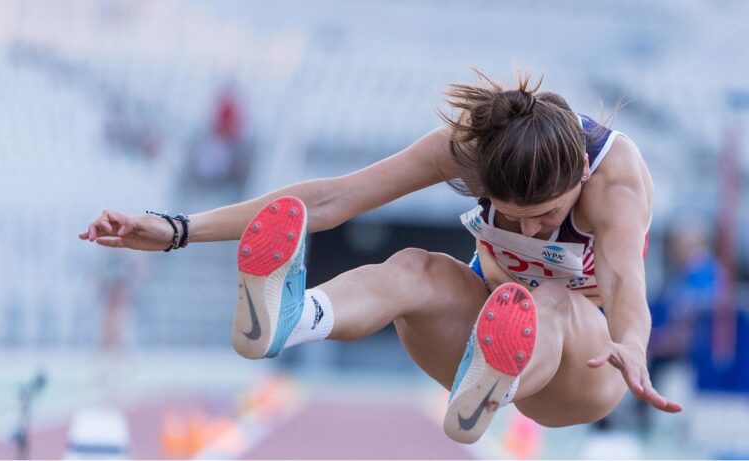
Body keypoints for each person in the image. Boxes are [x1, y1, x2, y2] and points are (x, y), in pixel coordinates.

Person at [79, 70, 682, 443]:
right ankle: (293, 318)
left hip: (582, 369)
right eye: (511, 212)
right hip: (473, 350)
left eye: (546, 216)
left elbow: (627, 279)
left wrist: (632, 343)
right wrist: (178, 228)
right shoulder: (474, 146)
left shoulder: (615, 180)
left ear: (578, 173)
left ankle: (500, 380)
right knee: (416, 267)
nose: (528, 228)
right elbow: (333, 197)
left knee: (545, 298)